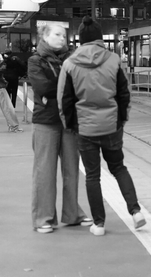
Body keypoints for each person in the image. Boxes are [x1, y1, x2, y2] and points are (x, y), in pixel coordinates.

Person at [58, 16, 145, 236]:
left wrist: (70, 125)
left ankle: (99, 224)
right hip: (111, 126)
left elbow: (64, 100)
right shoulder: (114, 60)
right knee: (118, 168)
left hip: (85, 128)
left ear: (80, 40)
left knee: (92, 176)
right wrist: (121, 120)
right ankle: (135, 212)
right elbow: (124, 93)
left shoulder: (69, 64)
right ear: (100, 39)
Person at [28, 24, 92, 234]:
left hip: (69, 120)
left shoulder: (72, 58)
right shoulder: (35, 60)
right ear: (45, 37)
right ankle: (43, 218)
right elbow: (42, 87)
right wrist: (66, 86)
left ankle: (72, 214)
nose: (62, 39)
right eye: (57, 35)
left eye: (64, 35)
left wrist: (60, 87)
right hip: (46, 121)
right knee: (45, 171)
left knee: (72, 169)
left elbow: (81, 82)